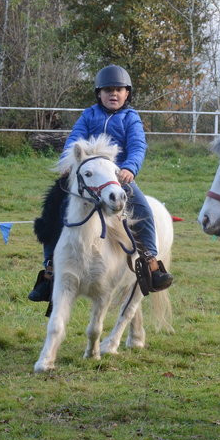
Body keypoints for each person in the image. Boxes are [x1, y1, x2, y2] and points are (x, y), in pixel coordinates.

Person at [28, 64, 173, 303]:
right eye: (107, 90)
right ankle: (49, 270)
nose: (113, 94)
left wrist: (129, 168)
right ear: (99, 93)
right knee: (52, 210)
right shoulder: (88, 115)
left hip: (117, 178)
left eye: (118, 89)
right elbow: (74, 139)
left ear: (127, 93)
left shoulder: (131, 118)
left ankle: (151, 262)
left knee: (144, 210)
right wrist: (68, 162)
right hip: (88, 178)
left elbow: (137, 146)